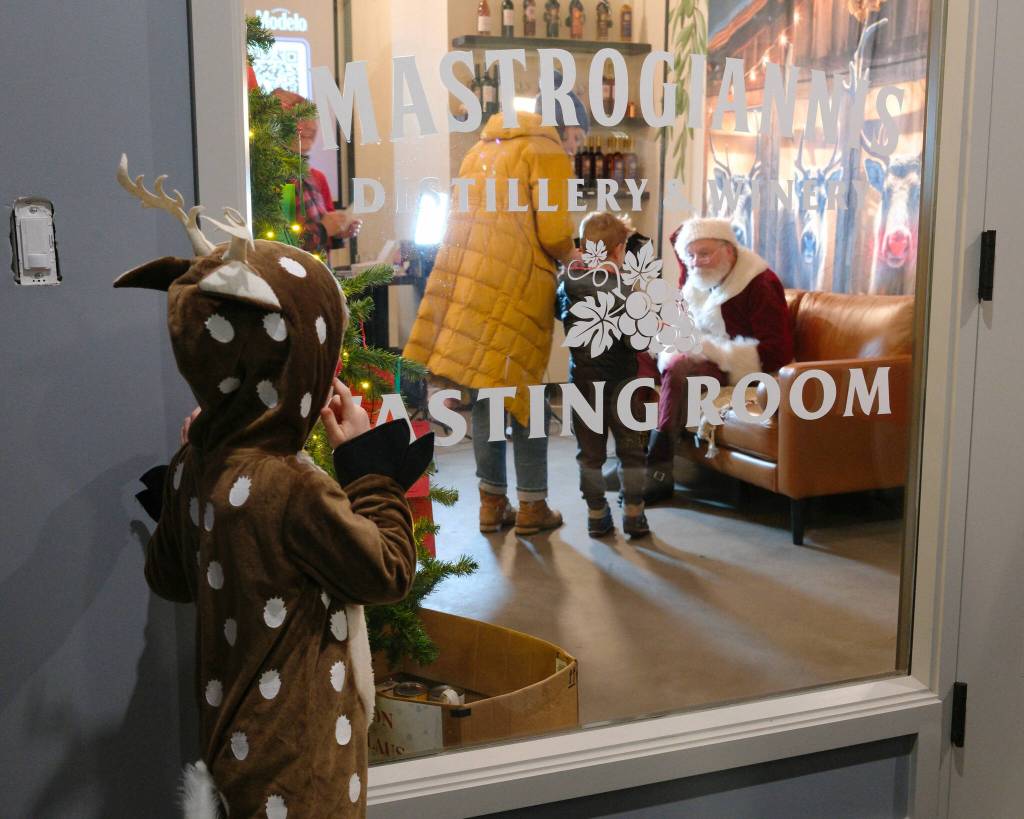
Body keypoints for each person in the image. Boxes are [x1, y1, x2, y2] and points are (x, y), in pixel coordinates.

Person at [404, 88, 588, 536]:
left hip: (472, 285)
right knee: (527, 400)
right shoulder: (546, 152)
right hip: (518, 287)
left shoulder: (480, 151)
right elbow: (553, 231)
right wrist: (578, 255)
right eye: (580, 137)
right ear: (568, 127)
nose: (577, 147)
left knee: (487, 395)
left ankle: (491, 504)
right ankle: (532, 506)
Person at [645, 216, 794, 503]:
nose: (697, 262)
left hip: (749, 368)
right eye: (691, 255)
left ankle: (658, 468)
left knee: (679, 365)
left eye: (704, 253)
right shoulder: (701, 278)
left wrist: (713, 351)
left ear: (729, 250)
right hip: (707, 356)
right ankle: (634, 453)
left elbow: (778, 352)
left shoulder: (759, 283)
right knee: (639, 349)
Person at [558, 212, 650, 537]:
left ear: (583, 246)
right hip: (622, 384)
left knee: (590, 454)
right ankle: (635, 514)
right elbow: (638, 339)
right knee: (631, 449)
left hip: (583, 382)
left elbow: (560, 314)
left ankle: (596, 514)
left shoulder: (566, 283)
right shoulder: (624, 289)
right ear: (619, 250)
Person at [273, 88, 362, 253]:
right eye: (299, 118)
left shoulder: (311, 177)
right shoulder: (280, 178)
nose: (311, 126)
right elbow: (283, 244)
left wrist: (338, 231)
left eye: (312, 118)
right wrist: (324, 230)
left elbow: (315, 237)